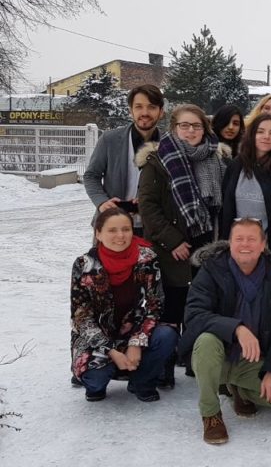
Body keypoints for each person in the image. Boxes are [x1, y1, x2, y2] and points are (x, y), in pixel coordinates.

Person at [183, 218, 271, 445]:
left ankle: (241, 390)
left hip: (251, 360)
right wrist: (236, 328)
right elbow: (194, 314)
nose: (245, 244)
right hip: (214, 358)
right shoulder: (212, 270)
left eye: (251, 239)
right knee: (207, 340)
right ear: (230, 242)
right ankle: (211, 414)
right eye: (239, 239)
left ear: (262, 244)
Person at [137, 104, 231, 388]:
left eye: (197, 126)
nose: (191, 131)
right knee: (172, 309)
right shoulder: (158, 159)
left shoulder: (217, 159)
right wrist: (173, 240)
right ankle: (165, 366)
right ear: (174, 128)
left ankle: (194, 360)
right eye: (185, 125)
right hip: (171, 249)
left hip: (208, 244)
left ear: (205, 129)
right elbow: (148, 206)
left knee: (200, 307)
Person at [71, 208, 178, 402]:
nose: (120, 236)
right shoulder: (84, 265)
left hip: (134, 332)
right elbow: (81, 317)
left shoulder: (147, 258)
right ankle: (99, 379)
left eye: (126, 229)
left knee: (167, 335)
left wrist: (136, 344)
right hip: (99, 336)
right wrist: (111, 351)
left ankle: (142, 382)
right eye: (112, 230)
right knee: (95, 378)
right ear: (98, 234)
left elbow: (154, 306)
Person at [219, 114, 271, 249]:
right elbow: (226, 207)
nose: (266, 136)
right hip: (238, 244)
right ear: (252, 134)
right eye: (260, 131)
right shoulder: (236, 165)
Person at [83, 84, 165, 221]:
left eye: (152, 107)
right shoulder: (109, 139)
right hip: (112, 224)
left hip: (155, 227)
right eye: (139, 107)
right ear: (130, 111)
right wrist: (102, 202)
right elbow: (91, 176)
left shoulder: (169, 144)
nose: (145, 112)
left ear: (161, 112)